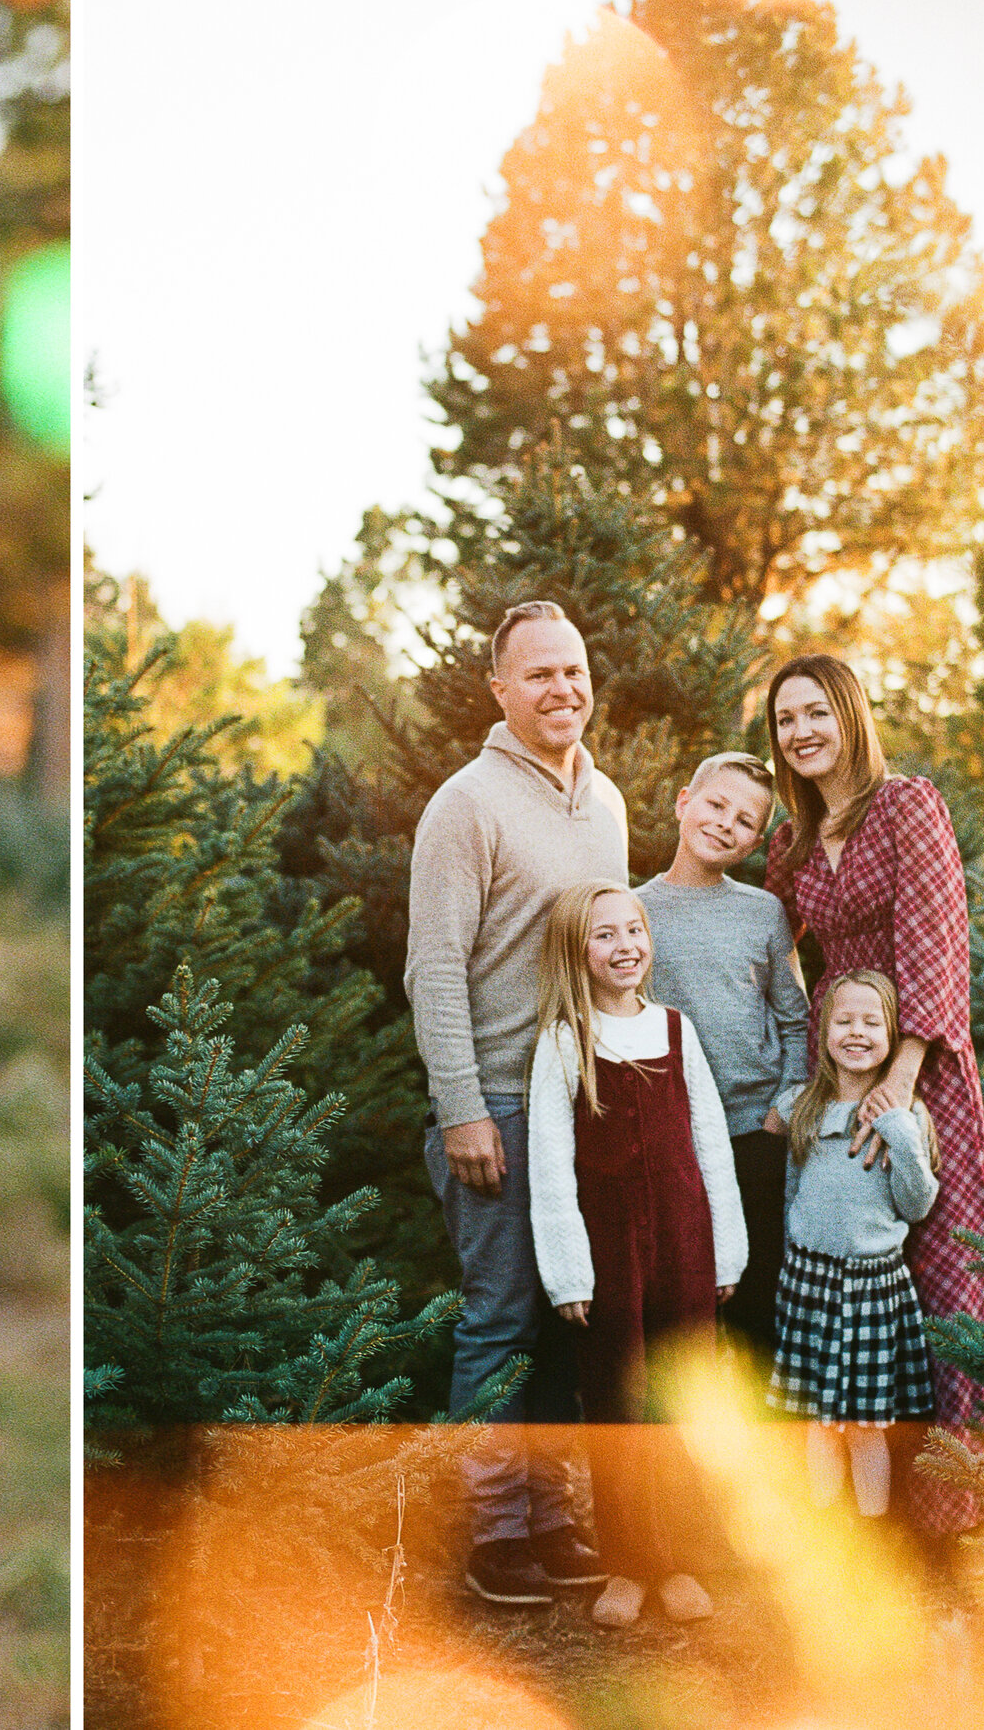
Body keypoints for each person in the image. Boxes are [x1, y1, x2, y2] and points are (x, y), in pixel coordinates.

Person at [761, 653, 984, 1539]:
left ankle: (961, 1508)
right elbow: (767, 939)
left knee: (944, 1274)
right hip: (842, 1068)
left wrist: (904, 1079)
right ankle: (861, 1516)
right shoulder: (791, 843)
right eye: (785, 719)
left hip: (922, 1064)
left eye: (816, 713)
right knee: (843, 1277)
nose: (801, 732)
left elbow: (939, 935)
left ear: (850, 715)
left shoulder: (907, 805)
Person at [406, 601, 624, 1606]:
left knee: (566, 1317)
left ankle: (550, 1519)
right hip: (495, 1096)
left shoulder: (609, 805)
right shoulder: (466, 803)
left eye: (572, 671)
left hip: (580, 1101)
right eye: (537, 674)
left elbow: (614, 954)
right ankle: (492, 1537)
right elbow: (434, 966)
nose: (560, 689)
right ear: (498, 691)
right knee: (498, 1322)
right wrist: (462, 1107)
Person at [525, 882, 745, 1628]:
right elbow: (550, 1165)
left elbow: (712, 1146)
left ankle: (680, 1556)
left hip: (684, 1236)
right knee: (620, 1400)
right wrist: (568, 1272)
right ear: (576, 953)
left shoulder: (676, 1030)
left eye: (633, 931)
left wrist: (726, 1253)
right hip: (611, 1247)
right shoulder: (564, 1040)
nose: (624, 947)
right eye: (604, 936)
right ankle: (628, 1561)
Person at [637, 752, 812, 1362]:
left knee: (757, 1305)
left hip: (753, 1134)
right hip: (671, 1139)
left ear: (755, 842)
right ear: (685, 801)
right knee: (681, 1312)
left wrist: (786, 1103)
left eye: (744, 821)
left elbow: (796, 1019)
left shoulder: (761, 913)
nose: (723, 824)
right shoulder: (634, 911)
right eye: (716, 805)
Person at [765, 972, 940, 1518]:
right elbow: (793, 1188)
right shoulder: (802, 1107)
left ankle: (871, 1530)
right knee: (819, 1421)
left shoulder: (905, 1118)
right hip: (809, 1280)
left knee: (865, 1425)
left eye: (872, 1022)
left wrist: (901, 1134)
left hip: (871, 1286)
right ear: (824, 1033)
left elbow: (917, 1204)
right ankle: (826, 1536)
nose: (857, 1032)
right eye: (844, 1021)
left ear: (892, 1035)